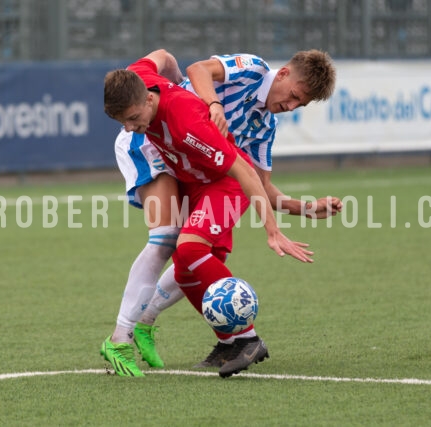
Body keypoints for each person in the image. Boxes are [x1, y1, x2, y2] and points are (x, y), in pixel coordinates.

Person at [103, 49, 315, 378]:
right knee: (189, 263)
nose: (130, 128)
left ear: (147, 99)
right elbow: (173, 60)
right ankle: (227, 340)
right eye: (124, 123)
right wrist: (187, 86)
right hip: (195, 178)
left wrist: (273, 230)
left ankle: (247, 338)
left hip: (219, 184)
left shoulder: (187, 122)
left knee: (184, 247)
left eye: (132, 120)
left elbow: (247, 173)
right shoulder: (140, 81)